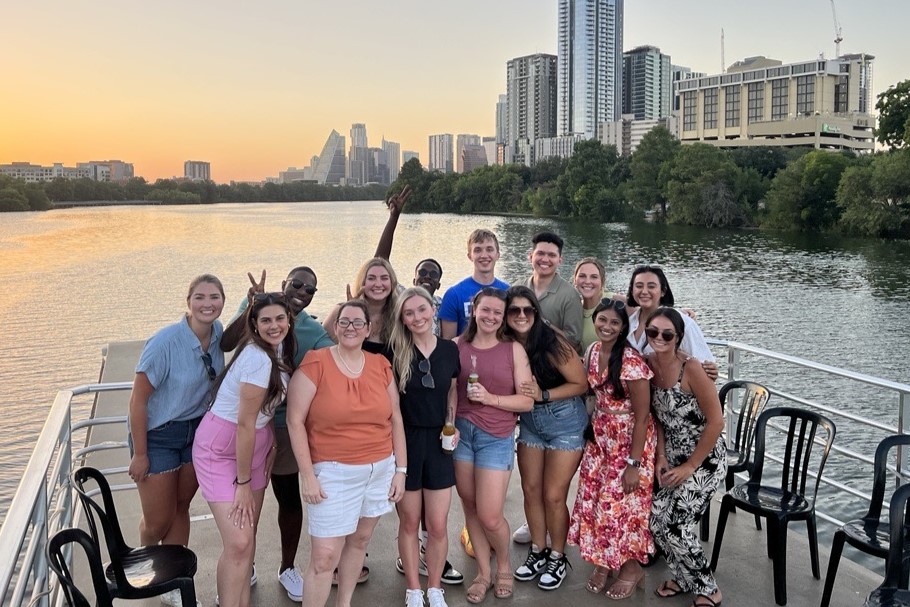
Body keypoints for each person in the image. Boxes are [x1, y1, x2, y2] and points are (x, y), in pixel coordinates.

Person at [221, 266, 335, 601]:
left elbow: (344, 349)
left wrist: (348, 313)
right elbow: (227, 342)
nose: (302, 291)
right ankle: (246, 563)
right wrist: (249, 304)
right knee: (244, 502)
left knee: (287, 498)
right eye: (297, 283)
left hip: (283, 426)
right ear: (285, 284)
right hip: (245, 422)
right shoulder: (258, 306)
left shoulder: (313, 330)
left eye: (310, 289)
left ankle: (287, 567)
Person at [286, 300, 408, 607]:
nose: (351, 328)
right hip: (333, 472)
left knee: (359, 541)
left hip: (379, 469)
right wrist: (309, 477)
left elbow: (395, 417)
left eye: (357, 322)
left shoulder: (380, 365)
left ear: (369, 329)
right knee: (325, 556)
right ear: (335, 326)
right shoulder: (316, 363)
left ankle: (344, 603)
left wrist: (400, 470)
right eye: (345, 322)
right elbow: (294, 420)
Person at [371, 188, 463, 583]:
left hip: (437, 431)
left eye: (432, 276)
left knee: (435, 509)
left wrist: (451, 422)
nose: (426, 277)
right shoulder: (398, 311)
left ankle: (432, 555)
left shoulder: (440, 319)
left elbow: (454, 380)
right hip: (404, 431)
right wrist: (394, 218)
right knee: (409, 509)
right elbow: (380, 262)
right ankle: (413, 561)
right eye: (422, 272)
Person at [127, 274, 225, 607]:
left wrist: (254, 301)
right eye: (200, 297)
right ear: (188, 301)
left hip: (195, 432)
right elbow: (138, 399)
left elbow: (247, 329)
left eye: (214, 297)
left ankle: (172, 582)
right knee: (157, 520)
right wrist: (140, 454)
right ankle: (147, 568)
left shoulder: (218, 334)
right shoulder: (165, 342)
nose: (207, 303)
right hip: (159, 436)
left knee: (181, 507)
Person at [193, 292, 296, 607]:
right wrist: (241, 484)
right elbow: (244, 423)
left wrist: (272, 441)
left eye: (280, 318)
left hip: (255, 443)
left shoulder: (279, 351)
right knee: (238, 541)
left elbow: (261, 415)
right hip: (223, 450)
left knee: (245, 543)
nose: (274, 325)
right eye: (265, 320)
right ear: (254, 323)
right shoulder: (256, 358)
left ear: (290, 321)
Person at [569, 298, 656, 600]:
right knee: (594, 500)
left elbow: (643, 416)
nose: (607, 327)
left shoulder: (631, 362)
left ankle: (631, 568)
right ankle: (604, 561)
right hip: (601, 436)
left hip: (629, 439)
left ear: (622, 328)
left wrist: (634, 463)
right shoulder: (593, 351)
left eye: (614, 323)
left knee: (625, 506)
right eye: (602, 320)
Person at [503, 286, 588, 591]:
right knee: (531, 489)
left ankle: (557, 555)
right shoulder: (506, 343)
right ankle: (538, 550)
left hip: (564, 421)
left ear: (536, 313)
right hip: (529, 423)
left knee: (553, 495)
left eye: (528, 310)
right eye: (515, 310)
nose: (522, 316)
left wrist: (545, 394)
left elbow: (581, 383)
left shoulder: (552, 342)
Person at [453, 287, 534, 603]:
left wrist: (490, 399)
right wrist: (449, 426)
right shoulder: (456, 346)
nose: (490, 316)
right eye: (485, 310)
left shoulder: (512, 349)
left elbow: (527, 401)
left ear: (503, 318)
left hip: (496, 438)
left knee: (489, 514)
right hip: (461, 435)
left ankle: (504, 566)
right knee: (470, 506)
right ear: (474, 309)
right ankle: (483, 573)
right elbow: (449, 393)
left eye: (497, 313)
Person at [645, 307, 725, 607]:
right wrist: (661, 456)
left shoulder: (691, 369)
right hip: (673, 455)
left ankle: (709, 588)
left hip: (705, 458)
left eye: (667, 334)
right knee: (654, 519)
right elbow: (660, 418)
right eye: (653, 332)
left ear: (679, 337)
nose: (659, 338)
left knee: (676, 525)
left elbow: (717, 421)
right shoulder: (648, 366)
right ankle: (683, 576)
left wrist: (691, 466)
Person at [389, 288, 461, 607]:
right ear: (402, 319)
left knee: (437, 524)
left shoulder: (449, 350)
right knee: (409, 522)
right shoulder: (395, 352)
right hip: (405, 442)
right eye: (409, 313)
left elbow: (452, 391)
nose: (417, 317)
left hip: (439, 443)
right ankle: (414, 590)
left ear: (433, 310)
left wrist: (451, 424)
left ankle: (434, 587)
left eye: (422, 310)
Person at [625, 265, 718, 380]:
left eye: (651, 286)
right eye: (639, 286)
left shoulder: (683, 322)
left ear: (663, 291)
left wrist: (710, 369)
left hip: (671, 391)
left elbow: (705, 366)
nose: (644, 291)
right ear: (632, 290)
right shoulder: (628, 323)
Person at [438, 230, 509, 339]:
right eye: (477, 250)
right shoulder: (454, 294)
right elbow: (448, 342)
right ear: (470, 256)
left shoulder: (508, 292)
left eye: (489, 249)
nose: (484, 255)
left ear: (497, 255)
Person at [523, 232, 584, 352]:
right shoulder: (518, 287)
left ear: (560, 260)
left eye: (552, 255)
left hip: (551, 363)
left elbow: (574, 342)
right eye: (540, 253)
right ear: (530, 256)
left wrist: (543, 323)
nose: (545, 259)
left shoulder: (570, 295)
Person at [323, 258, 399, 354]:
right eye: (371, 278)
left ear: (392, 283)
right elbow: (320, 346)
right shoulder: (340, 312)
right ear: (362, 282)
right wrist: (350, 313)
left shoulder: (400, 315)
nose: (378, 284)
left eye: (384, 278)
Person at [572, 257, 627, 352]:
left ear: (602, 281)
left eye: (594, 277)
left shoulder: (615, 301)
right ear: (575, 280)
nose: (588, 281)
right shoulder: (574, 308)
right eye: (582, 276)